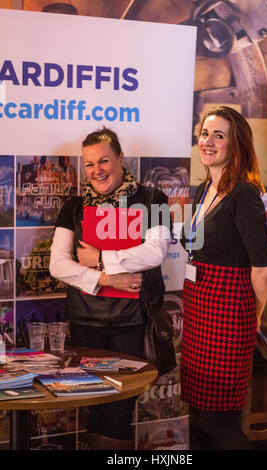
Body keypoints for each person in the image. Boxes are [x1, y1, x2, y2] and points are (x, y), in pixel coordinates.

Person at [49, 128, 171, 450]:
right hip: (86, 319)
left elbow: (156, 251)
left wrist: (100, 258)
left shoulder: (152, 199)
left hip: (132, 320)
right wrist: (106, 278)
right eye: (89, 164)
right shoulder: (74, 208)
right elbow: (58, 265)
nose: (97, 170)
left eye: (104, 160)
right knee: (94, 403)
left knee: (120, 407)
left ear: (120, 159)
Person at [180, 106, 267, 450]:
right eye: (205, 133)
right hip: (199, 314)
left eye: (219, 135)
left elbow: (262, 269)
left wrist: (254, 317)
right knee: (197, 418)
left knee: (216, 420)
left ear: (236, 145)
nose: (208, 141)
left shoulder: (244, 194)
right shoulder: (201, 190)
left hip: (229, 316)